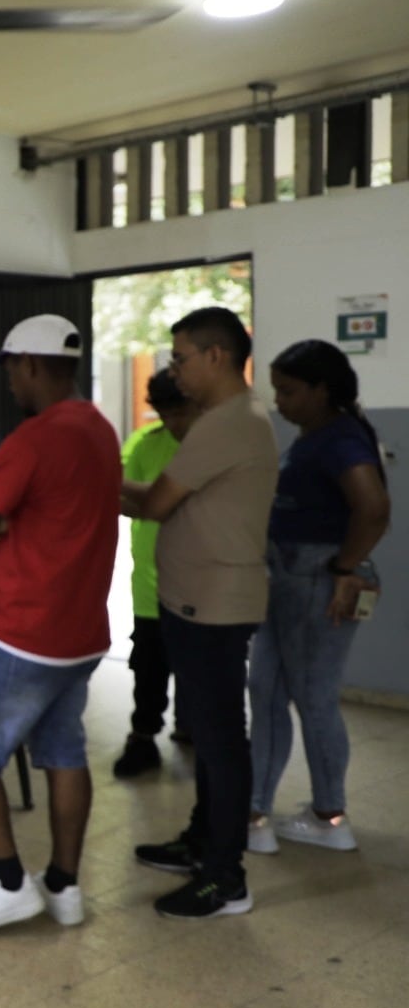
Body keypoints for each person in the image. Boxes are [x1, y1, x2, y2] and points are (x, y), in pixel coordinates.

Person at [0, 315, 120, 933]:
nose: (11, 384)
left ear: (29, 364)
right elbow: (56, 511)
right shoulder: (98, 427)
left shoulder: (36, 436)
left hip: (26, 630)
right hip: (80, 634)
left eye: (11, 370)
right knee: (63, 752)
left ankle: (6, 880)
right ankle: (64, 887)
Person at [125, 307, 278, 919]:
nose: (175, 369)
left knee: (219, 740)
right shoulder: (231, 419)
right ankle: (201, 842)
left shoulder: (226, 423)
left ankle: (225, 876)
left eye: (181, 357)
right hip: (199, 599)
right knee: (215, 737)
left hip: (213, 605)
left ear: (215, 356)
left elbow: (159, 502)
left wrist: (84, 484)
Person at [248, 341, 390, 854]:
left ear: (320, 390)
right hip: (290, 578)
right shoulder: (317, 435)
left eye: (288, 391)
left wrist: (342, 568)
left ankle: (330, 815)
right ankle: (255, 810)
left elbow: (373, 508)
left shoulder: (340, 438)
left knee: (312, 697)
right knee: (265, 688)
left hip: (313, 578)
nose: (278, 400)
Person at [113, 371, 201, 778]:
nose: (174, 424)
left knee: (197, 664)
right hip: (151, 582)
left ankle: (191, 725)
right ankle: (143, 736)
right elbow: (119, 496)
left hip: (203, 583)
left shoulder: (212, 446)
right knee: (149, 666)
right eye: (166, 414)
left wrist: (156, 503)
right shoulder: (146, 445)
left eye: (181, 413)